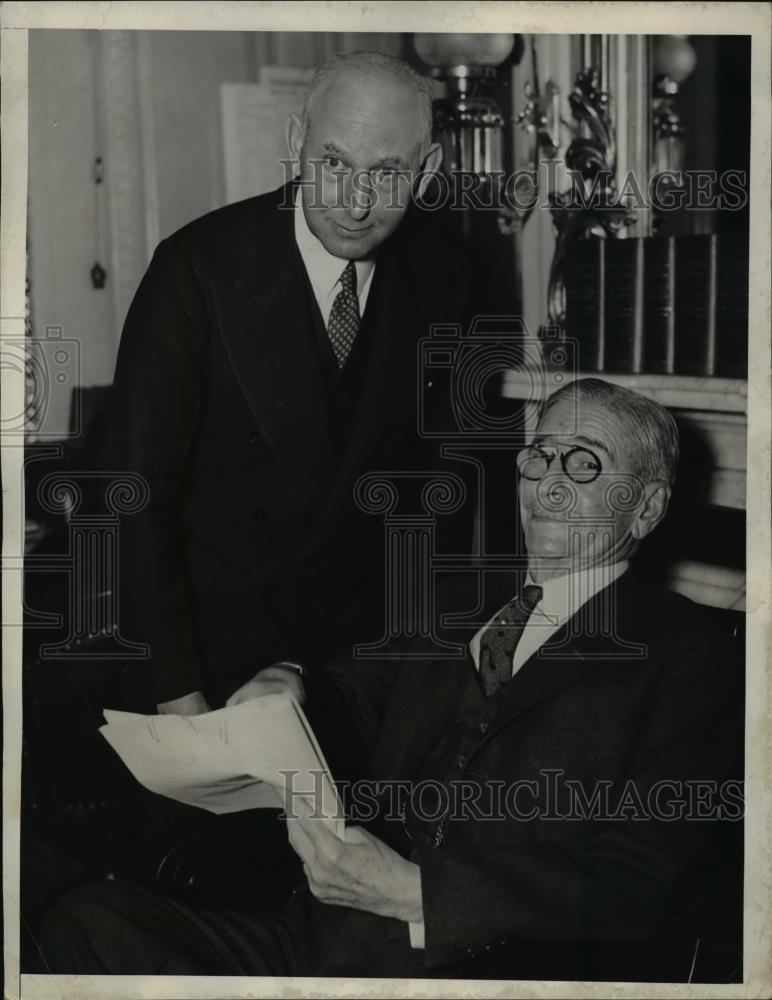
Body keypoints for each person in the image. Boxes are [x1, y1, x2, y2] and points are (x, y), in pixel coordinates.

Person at [42, 378, 743, 981]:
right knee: (88, 922)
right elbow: (345, 689)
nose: (549, 483)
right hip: (320, 941)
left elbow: (644, 876)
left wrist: (420, 895)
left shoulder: (686, 652)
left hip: (476, 968)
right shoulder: (458, 603)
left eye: (585, 464)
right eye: (539, 455)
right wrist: (286, 678)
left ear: (646, 508)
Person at [105, 50, 464, 715]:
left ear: (428, 170)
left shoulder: (442, 273)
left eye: (387, 173)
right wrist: (178, 692)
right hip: (210, 670)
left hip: (357, 667)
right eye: (335, 164)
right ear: (296, 141)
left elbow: (436, 494)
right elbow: (132, 498)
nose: (356, 205)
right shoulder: (196, 270)